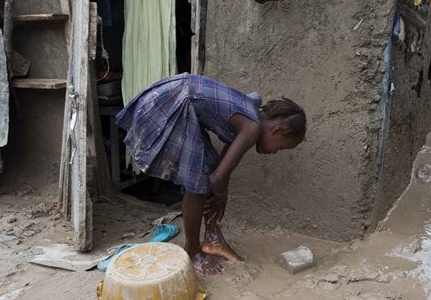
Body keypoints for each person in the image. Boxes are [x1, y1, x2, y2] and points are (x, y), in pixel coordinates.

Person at [116, 73, 306, 275]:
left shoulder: (251, 117)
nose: (275, 152)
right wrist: (220, 194)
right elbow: (217, 180)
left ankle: (212, 240)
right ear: (277, 131)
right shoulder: (252, 127)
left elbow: (224, 167)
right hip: (173, 102)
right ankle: (193, 251)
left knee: (211, 169)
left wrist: (220, 193)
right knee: (198, 184)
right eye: (281, 148)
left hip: (178, 98)